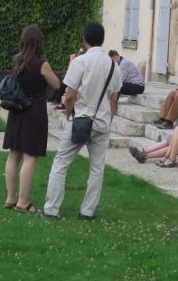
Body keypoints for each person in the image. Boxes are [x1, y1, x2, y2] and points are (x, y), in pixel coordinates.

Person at [43, 22, 121, 221]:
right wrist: (108, 119)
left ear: (84, 38)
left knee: (61, 163)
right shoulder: (114, 65)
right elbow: (114, 99)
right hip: (102, 121)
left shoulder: (80, 62)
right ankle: (88, 211)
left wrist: (69, 114)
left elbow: (69, 95)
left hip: (80, 119)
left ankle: (51, 209)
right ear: (102, 39)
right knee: (97, 169)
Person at [3, 25, 62, 213]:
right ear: (39, 42)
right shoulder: (41, 64)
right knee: (30, 156)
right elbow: (56, 84)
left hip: (16, 110)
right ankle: (23, 201)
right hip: (33, 111)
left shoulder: (16, 61)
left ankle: (10, 198)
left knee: (14, 155)